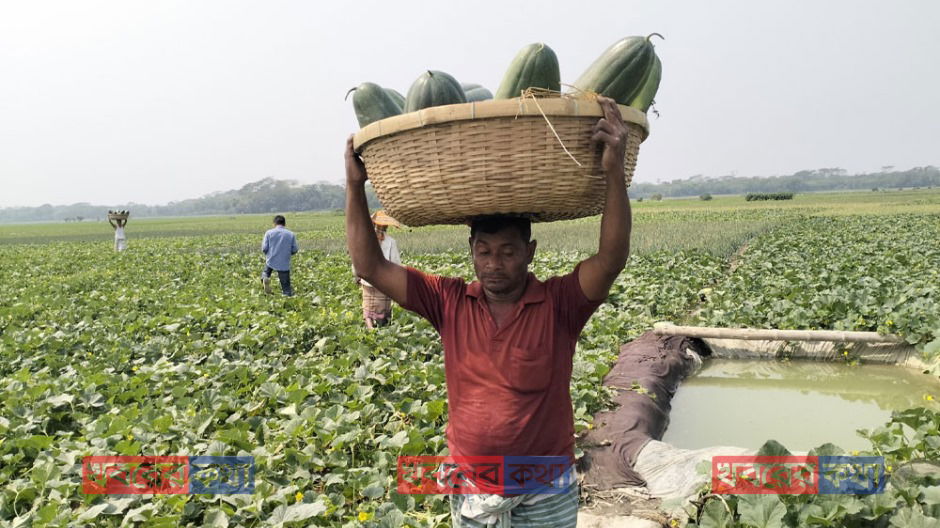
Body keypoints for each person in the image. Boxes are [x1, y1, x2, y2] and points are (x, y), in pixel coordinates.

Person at [345, 97, 633, 527]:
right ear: (471, 251)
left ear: (530, 252)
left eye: (507, 252)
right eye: (484, 251)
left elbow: (610, 259)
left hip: (544, 486)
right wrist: (354, 186)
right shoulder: (449, 301)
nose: (494, 263)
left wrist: (613, 171)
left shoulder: (560, 303)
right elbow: (370, 266)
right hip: (473, 484)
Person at [356, 212, 402, 328]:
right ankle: (380, 329)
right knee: (382, 308)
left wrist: (357, 274)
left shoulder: (365, 239)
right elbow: (395, 262)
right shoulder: (391, 241)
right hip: (384, 280)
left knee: (368, 306)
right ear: (386, 226)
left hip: (368, 278)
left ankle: (371, 329)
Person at [261, 215, 299, 296]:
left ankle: (265, 278)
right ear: (284, 224)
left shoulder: (269, 233)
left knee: (266, 272)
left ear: (274, 223)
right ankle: (286, 295)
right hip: (284, 262)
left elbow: (264, 248)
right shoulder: (291, 234)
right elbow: (295, 249)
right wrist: (287, 253)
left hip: (271, 259)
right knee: (286, 287)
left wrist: (268, 253)